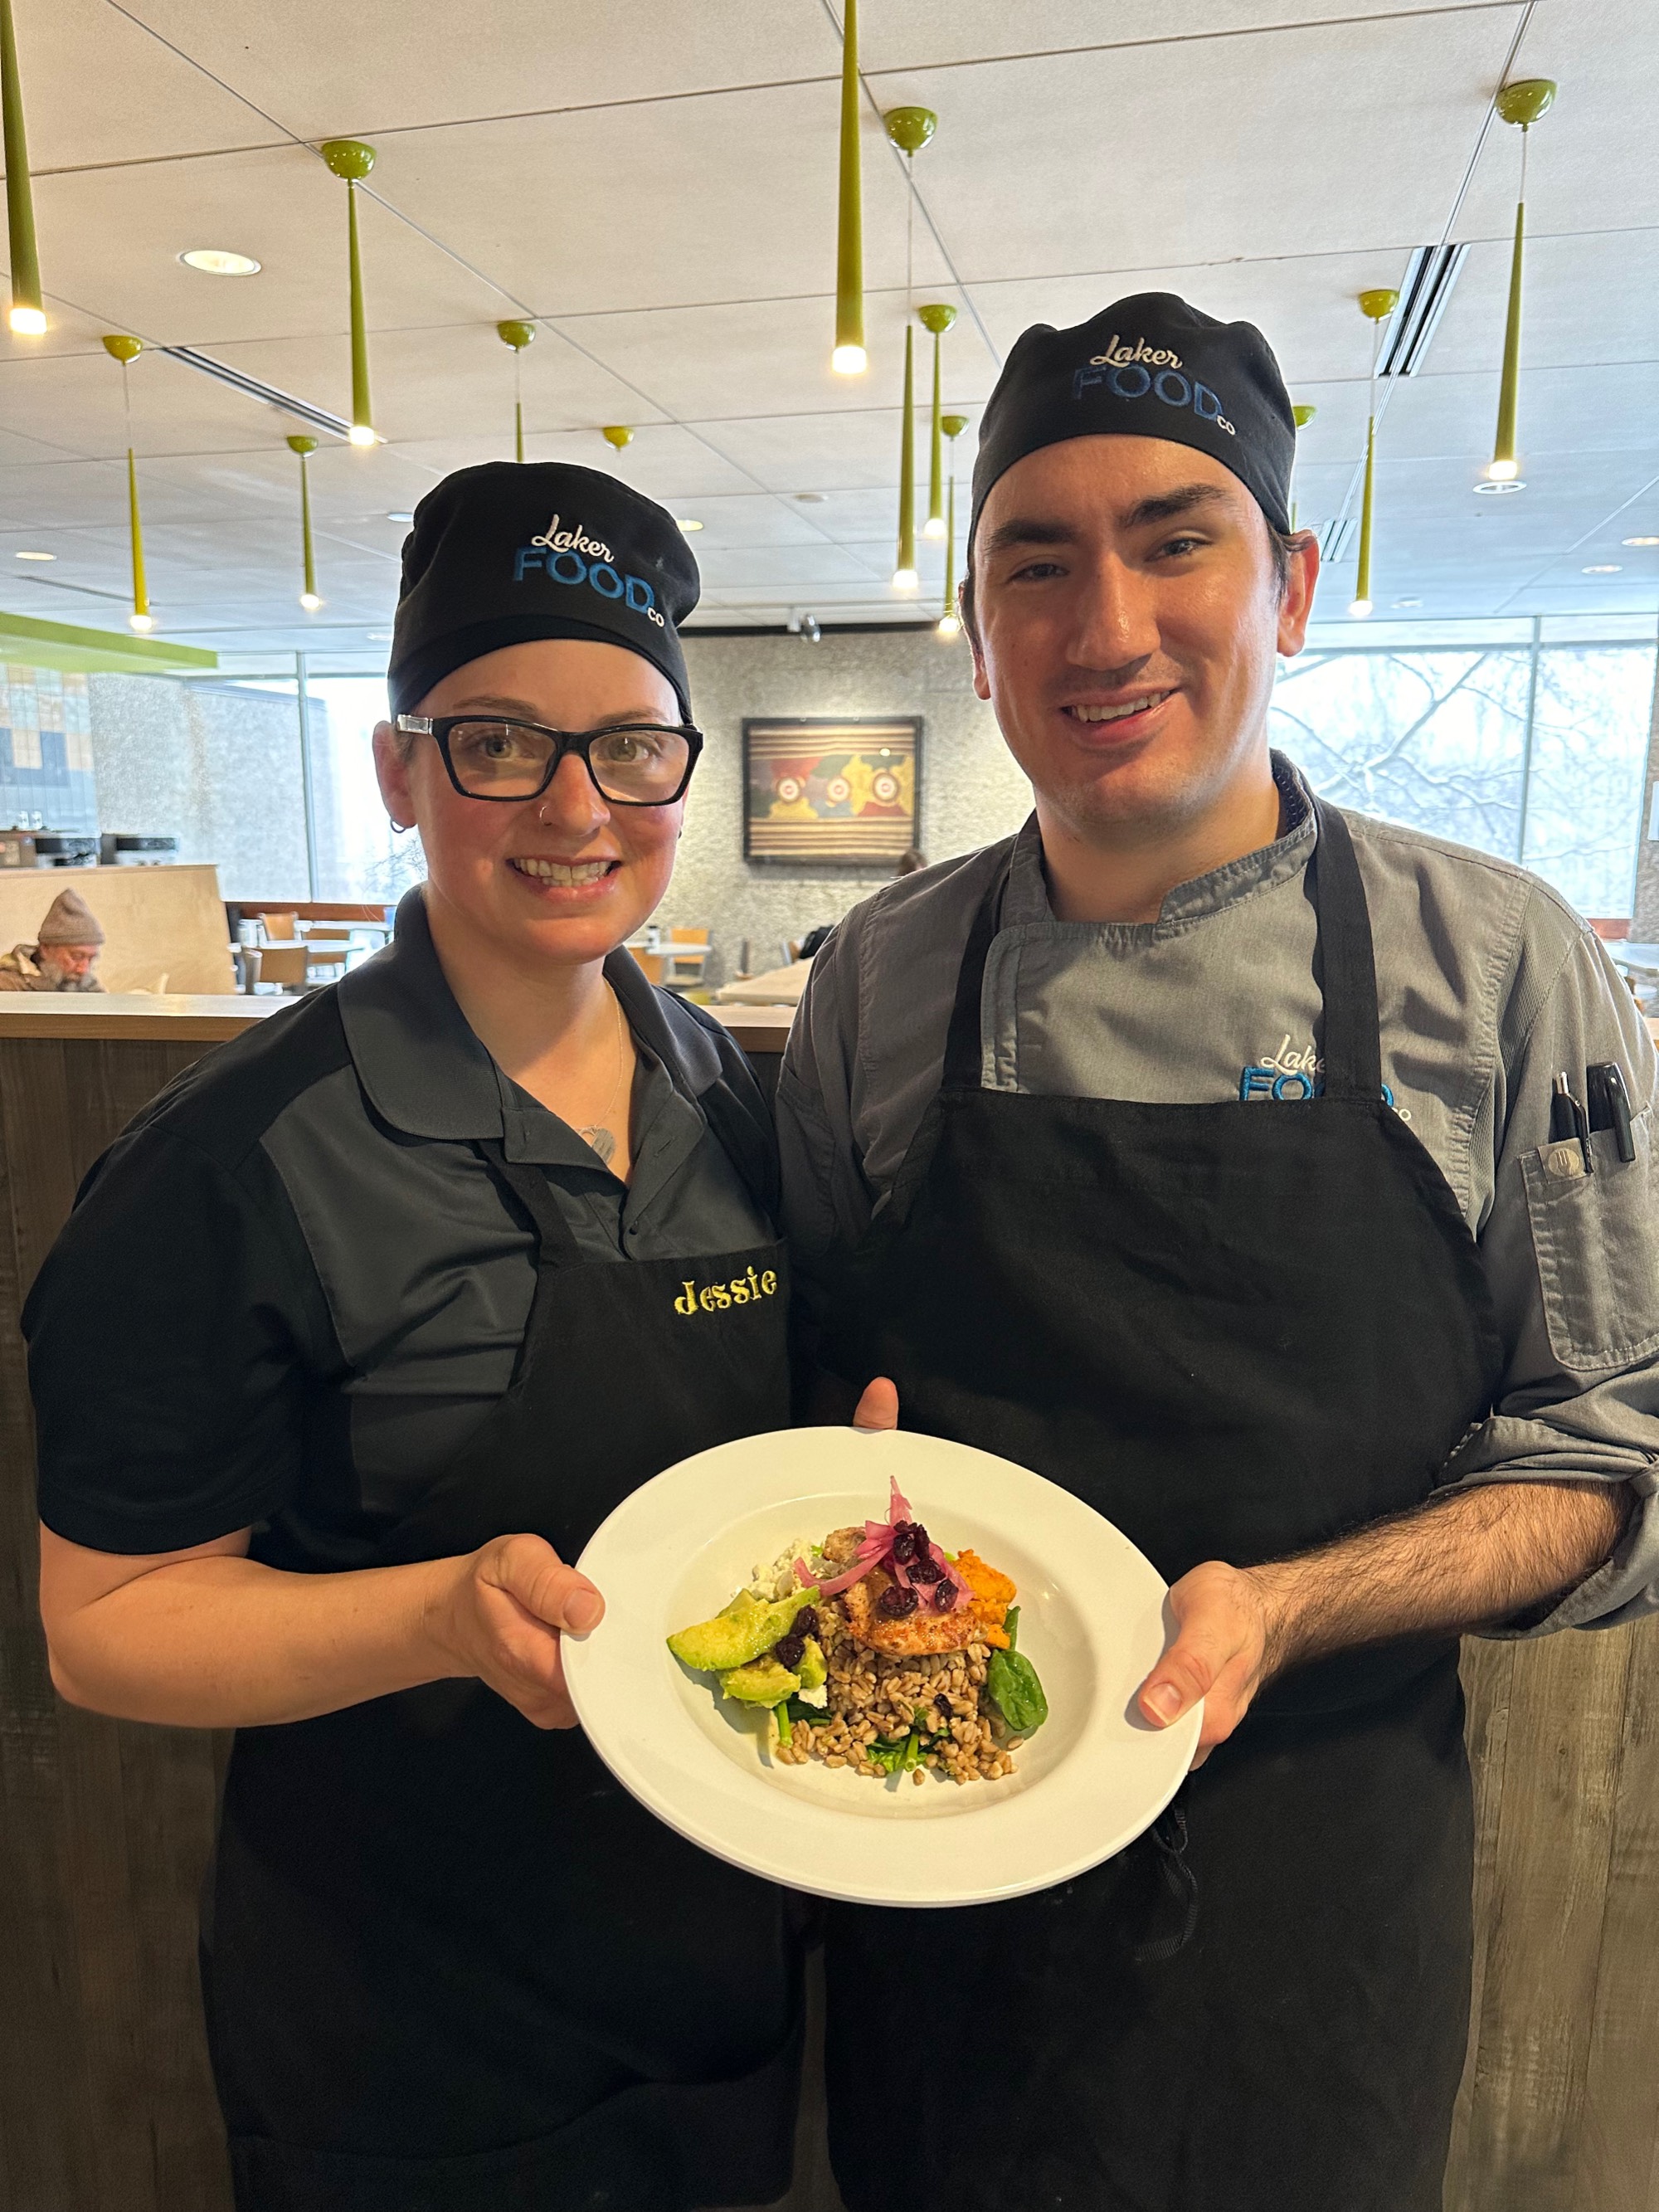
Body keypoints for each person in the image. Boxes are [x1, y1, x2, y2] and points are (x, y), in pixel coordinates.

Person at [777, 295, 1659, 2212]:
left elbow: (1602, 1453)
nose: (1103, 627)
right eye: (1035, 558)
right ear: (980, 625)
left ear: (1292, 583)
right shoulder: (876, 977)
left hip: (1311, 1899)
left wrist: (1275, 1604)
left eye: (1176, 537)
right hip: (938, 1860)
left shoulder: (1495, 965)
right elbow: (823, 1386)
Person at [28, 462, 854, 2212]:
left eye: (630, 743)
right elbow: (104, 1632)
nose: (575, 802)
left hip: (713, 1982)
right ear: (399, 768)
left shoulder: (730, 1094)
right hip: (406, 2035)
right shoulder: (227, 1161)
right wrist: (436, 1616)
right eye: (498, 739)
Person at [0, 883, 105, 991]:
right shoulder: (8, 986)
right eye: (77, 956)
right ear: (46, 949)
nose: (83, 969)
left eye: (91, 959)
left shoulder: (89, 986)